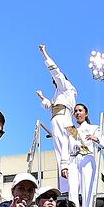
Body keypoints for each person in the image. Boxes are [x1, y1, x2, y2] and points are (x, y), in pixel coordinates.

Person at [35, 44, 76, 186]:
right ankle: (66, 168)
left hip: (62, 118)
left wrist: (44, 53)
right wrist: (42, 97)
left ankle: (65, 166)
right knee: (71, 141)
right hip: (62, 118)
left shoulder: (65, 87)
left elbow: (55, 71)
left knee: (63, 141)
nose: (55, 82)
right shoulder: (60, 93)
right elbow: (51, 105)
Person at [67, 103, 104, 207]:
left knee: (87, 192)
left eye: (80, 110)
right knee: (72, 192)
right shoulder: (71, 130)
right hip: (74, 160)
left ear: (86, 113)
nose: (78, 113)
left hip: (87, 158)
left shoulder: (94, 128)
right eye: (75, 111)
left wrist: (95, 138)